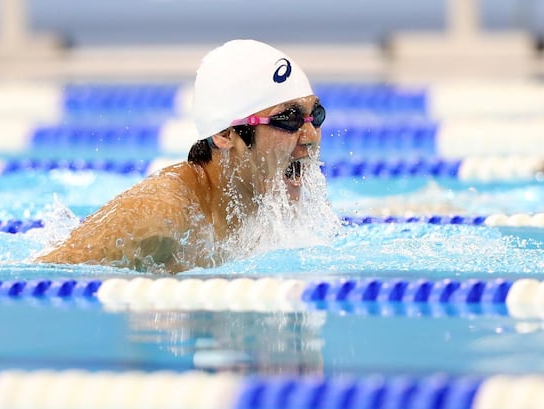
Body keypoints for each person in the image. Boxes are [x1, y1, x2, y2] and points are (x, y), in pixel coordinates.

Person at [35, 39, 329, 274]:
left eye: (314, 116)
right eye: (288, 120)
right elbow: (47, 273)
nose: (311, 136)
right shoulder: (158, 218)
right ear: (226, 134)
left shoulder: (270, 198)